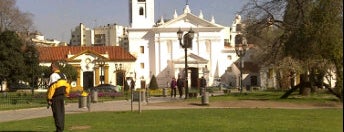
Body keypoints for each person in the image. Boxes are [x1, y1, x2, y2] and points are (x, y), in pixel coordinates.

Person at [47, 62, 71, 132]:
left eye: (51, 67)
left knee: (56, 113)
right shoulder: (63, 75)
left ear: (54, 67)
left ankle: (59, 130)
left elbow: (52, 88)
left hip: (55, 97)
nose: (51, 69)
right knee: (61, 113)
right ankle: (61, 129)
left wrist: (49, 98)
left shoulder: (53, 75)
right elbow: (68, 86)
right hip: (62, 96)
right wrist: (66, 94)